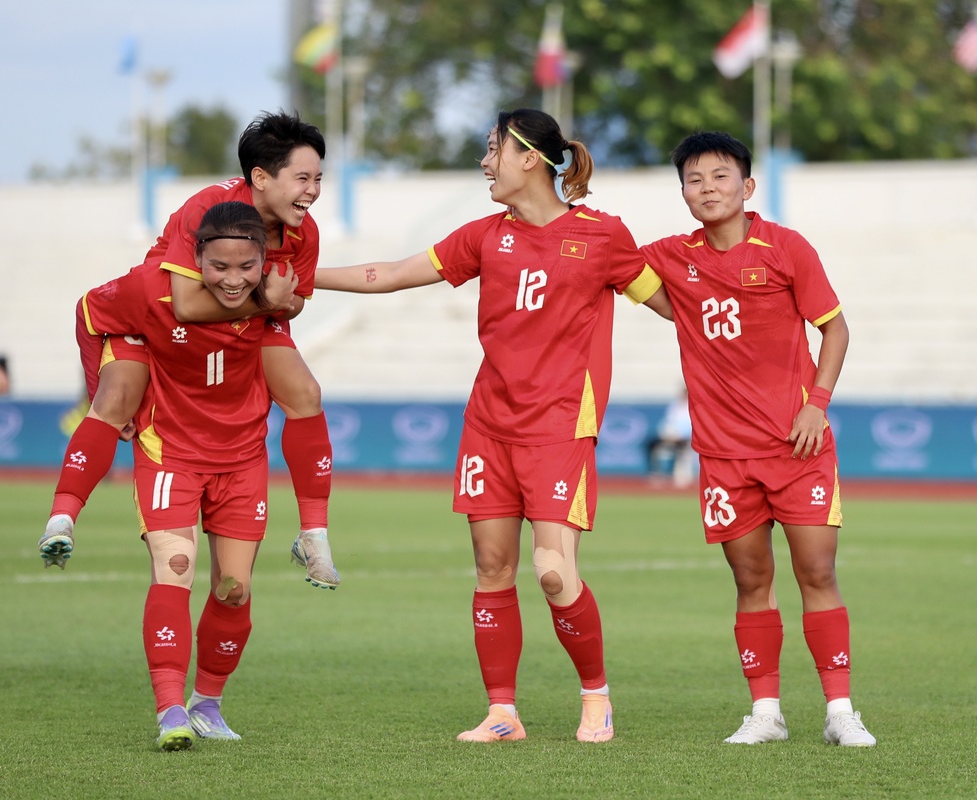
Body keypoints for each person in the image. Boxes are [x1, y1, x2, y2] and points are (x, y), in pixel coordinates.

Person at [313, 108, 672, 743]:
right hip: (488, 425)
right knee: (491, 568)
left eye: (492, 149)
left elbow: (674, 305)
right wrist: (302, 279)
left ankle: (596, 697)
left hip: (561, 427)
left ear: (529, 158)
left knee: (554, 572)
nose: (484, 162)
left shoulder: (604, 236)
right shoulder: (484, 236)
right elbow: (390, 274)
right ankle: (502, 713)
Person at [638, 131, 875, 747]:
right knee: (750, 581)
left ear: (746, 186)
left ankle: (841, 712)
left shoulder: (787, 248)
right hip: (723, 457)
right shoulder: (671, 256)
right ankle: (766, 713)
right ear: (683, 194)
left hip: (798, 448)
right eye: (694, 180)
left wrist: (816, 406)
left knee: (817, 572)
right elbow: (612, 266)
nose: (707, 188)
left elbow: (836, 329)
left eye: (720, 176)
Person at [38, 111, 340, 589]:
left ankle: (314, 534)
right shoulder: (208, 209)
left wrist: (274, 301)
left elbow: (295, 300)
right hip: (162, 318)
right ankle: (62, 517)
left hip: (242, 318)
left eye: (318, 179)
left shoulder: (305, 231)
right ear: (261, 178)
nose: (314, 191)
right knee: (115, 400)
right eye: (303, 178)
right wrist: (267, 299)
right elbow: (185, 304)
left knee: (306, 393)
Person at [72, 201, 275, 750]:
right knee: (175, 568)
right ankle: (169, 709)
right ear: (197, 260)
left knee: (234, 590)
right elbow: (90, 312)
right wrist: (102, 392)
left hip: (241, 460)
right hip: (170, 454)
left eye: (246, 267)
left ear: (263, 261)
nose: (233, 279)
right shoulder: (157, 295)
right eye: (219, 266)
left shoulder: (275, 300)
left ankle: (207, 704)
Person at [643, 387, 693, 485]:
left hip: (684, 437)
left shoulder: (692, 407)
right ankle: (655, 473)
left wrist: (680, 435)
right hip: (670, 435)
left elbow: (690, 426)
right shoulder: (675, 406)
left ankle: (677, 474)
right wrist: (666, 433)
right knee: (651, 444)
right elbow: (668, 421)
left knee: (680, 447)